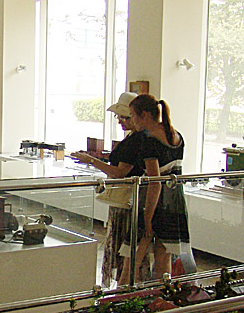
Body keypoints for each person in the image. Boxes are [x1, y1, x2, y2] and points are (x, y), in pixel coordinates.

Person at [71, 91, 143, 286]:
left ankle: (124, 286)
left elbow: (120, 172)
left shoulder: (136, 141)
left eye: (124, 117)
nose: (120, 121)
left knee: (123, 246)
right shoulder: (134, 138)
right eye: (119, 117)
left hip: (127, 200)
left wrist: (91, 160)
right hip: (125, 199)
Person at [122, 93, 192, 279]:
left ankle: (122, 294)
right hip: (174, 204)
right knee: (163, 262)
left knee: (132, 260)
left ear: (144, 115)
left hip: (153, 205)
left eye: (133, 116)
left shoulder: (149, 141)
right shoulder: (176, 136)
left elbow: (155, 183)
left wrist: (147, 218)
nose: (132, 120)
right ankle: (161, 294)